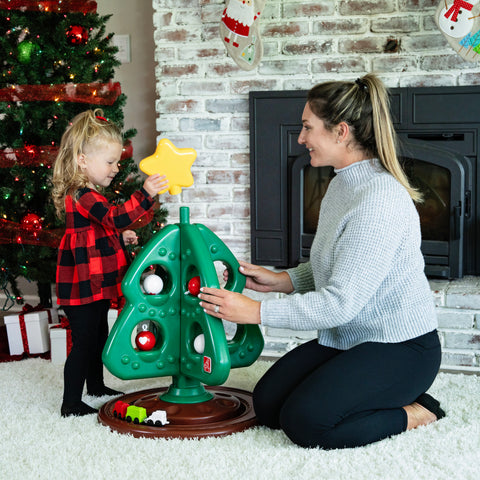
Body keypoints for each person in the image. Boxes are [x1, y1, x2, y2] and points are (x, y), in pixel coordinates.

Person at [198, 74, 445, 449]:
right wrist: (283, 281)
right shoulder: (343, 183)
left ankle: (416, 411)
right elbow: (341, 265)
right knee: (267, 406)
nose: (300, 138)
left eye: (307, 127)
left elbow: (340, 305)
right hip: (350, 338)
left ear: (341, 131)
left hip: (400, 347)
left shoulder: (378, 201)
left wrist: (256, 312)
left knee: (307, 424)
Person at [52, 109, 168, 417]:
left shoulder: (90, 194)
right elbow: (113, 216)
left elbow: (104, 227)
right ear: (82, 160)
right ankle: (71, 403)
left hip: (95, 283)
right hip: (82, 285)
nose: (116, 168)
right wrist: (145, 193)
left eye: (117, 162)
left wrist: (123, 234)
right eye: (110, 162)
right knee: (84, 342)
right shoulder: (82, 194)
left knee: (98, 335)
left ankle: (96, 386)